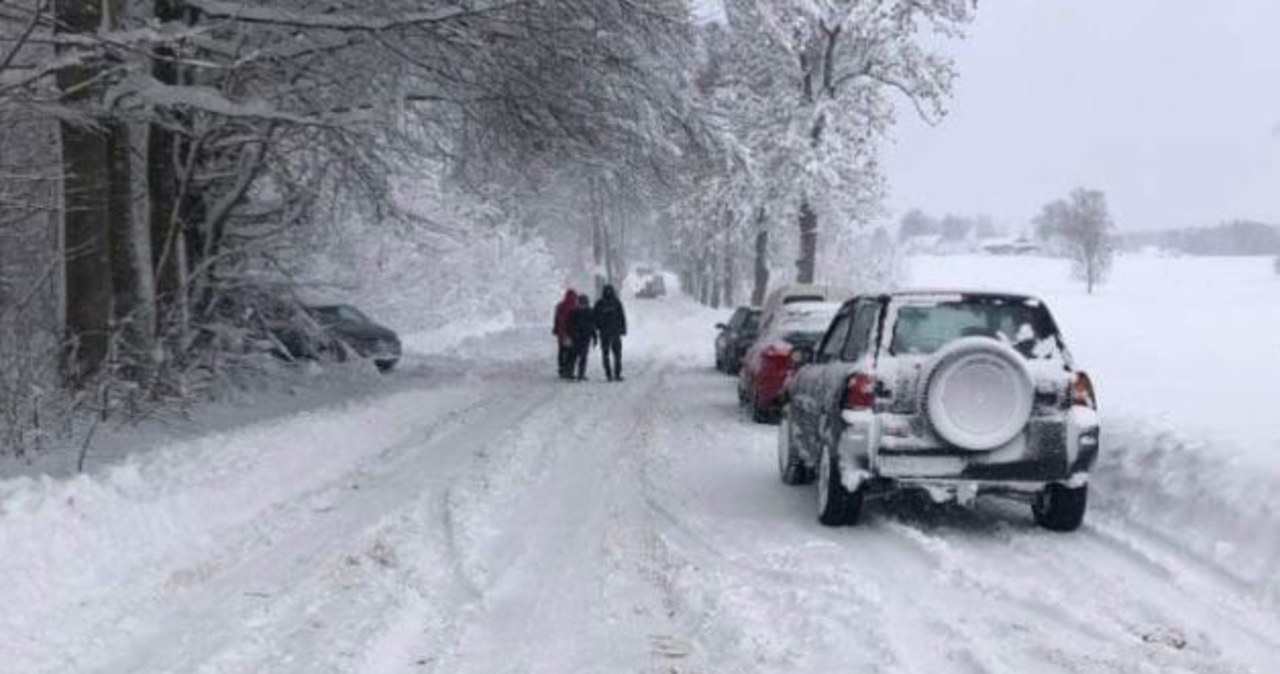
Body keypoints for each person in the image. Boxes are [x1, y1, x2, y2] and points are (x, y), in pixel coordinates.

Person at [594, 284, 627, 381]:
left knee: (609, 354)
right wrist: (623, 330)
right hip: (612, 332)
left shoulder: (601, 303)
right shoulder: (615, 303)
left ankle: (611, 374)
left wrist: (597, 327)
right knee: (614, 354)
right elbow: (621, 317)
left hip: (607, 332)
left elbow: (594, 317)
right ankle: (613, 374)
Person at [568, 294, 597, 380]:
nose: (583, 305)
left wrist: (594, 337)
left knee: (576, 356)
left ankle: (575, 373)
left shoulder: (575, 312)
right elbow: (593, 326)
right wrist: (594, 337)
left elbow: (593, 326)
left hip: (581, 337)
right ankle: (578, 374)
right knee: (578, 356)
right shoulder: (587, 312)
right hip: (582, 337)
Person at [552, 289, 578, 379]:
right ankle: (568, 370)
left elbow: (556, 320)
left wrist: (556, 330)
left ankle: (562, 368)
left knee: (562, 351)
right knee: (571, 353)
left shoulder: (560, 306)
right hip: (571, 333)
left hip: (562, 333)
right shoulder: (575, 307)